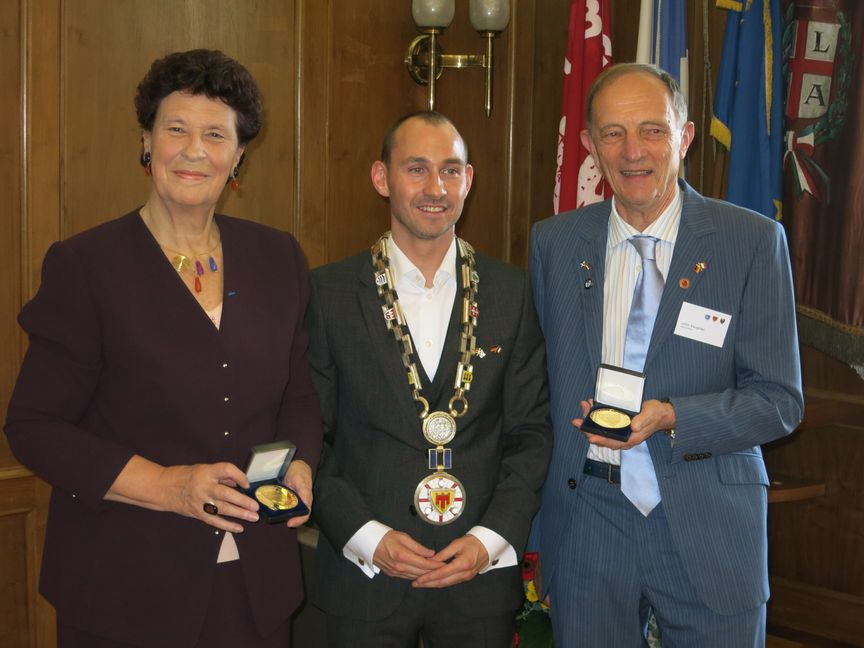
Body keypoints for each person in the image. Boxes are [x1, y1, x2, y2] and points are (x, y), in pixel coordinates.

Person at [3, 49, 322, 647]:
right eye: (176, 129)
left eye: (215, 134)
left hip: (256, 587)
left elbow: (300, 396)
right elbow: (34, 426)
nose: (194, 150)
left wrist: (301, 465)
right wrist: (171, 487)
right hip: (124, 588)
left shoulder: (278, 256)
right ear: (147, 141)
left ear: (238, 155)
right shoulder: (85, 266)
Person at [529, 63, 804, 647]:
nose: (633, 152)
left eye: (653, 130)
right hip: (590, 521)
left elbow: (780, 403)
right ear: (588, 147)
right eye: (613, 133)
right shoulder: (553, 243)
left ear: (685, 136)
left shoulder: (751, 242)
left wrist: (673, 416)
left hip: (709, 521)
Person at [306, 111, 552, 647]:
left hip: (478, 581)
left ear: (469, 180)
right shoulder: (327, 294)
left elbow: (531, 436)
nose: (435, 188)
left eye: (450, 170)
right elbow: (311, 440)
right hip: (365, 579)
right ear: (381, 177)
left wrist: (490, 541)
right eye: (416, 169)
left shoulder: (513, 294)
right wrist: (368, 538)